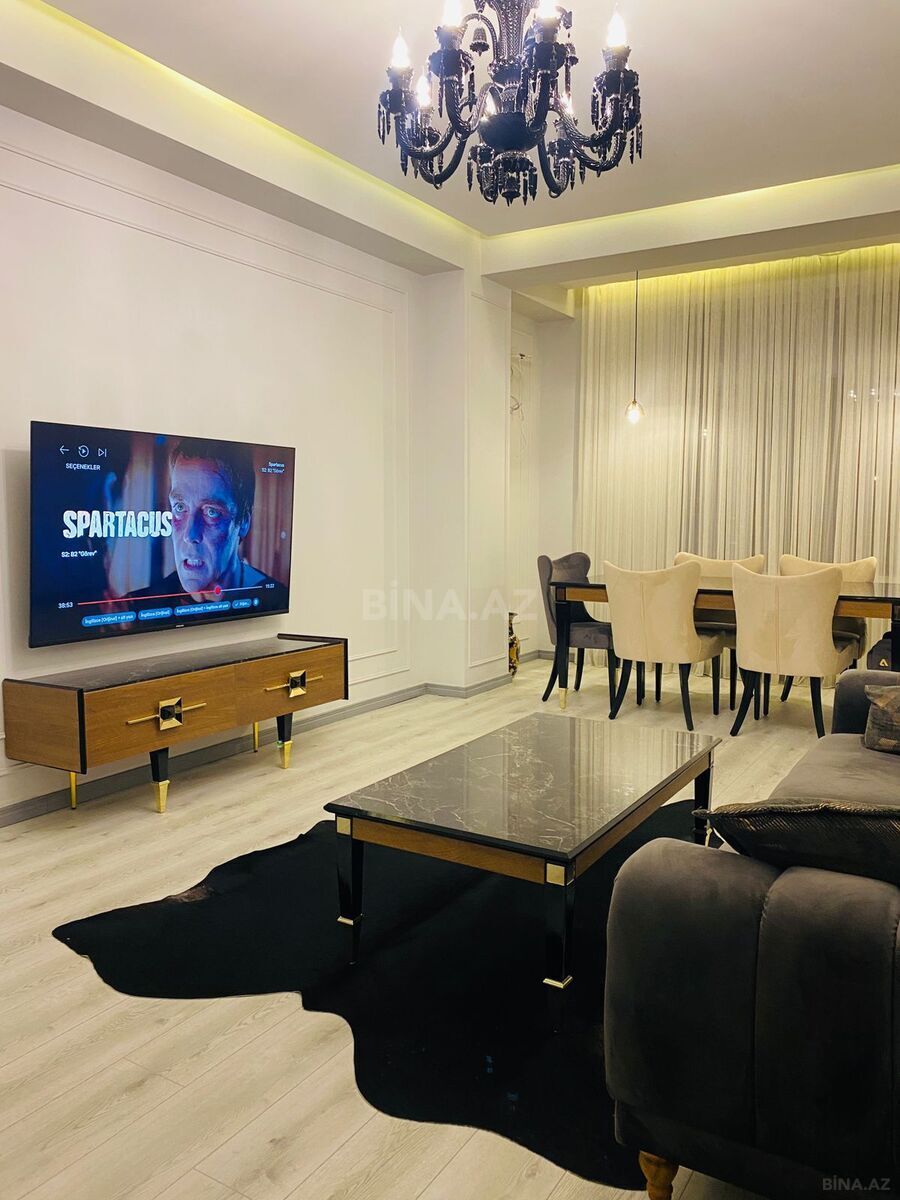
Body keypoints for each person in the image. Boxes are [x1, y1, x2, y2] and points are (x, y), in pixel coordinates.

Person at [128, 438, 288, 609]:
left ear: (243, 522)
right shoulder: (139, 608)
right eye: (180, 507)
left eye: (212, 512)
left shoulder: (275, 600)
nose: (190, 535)